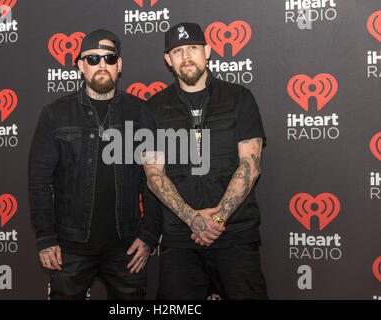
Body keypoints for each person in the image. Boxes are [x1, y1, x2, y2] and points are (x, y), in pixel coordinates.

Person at [28, 29, 160, 300]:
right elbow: (39, 181)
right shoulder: (55, 114)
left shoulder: (140, 112)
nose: (102, 65)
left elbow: (154, 179)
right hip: (70, 247)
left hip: (126, 247)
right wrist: (46, 238)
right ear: (80, 66)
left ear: (119, 65)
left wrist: (149, 235)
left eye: (110, 58)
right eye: (93, 58)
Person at [141, 22, 268, 300]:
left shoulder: (239, 98)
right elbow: (154, 174)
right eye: (177, 51)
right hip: (179, 240)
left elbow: (250, 164)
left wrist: (218, 218)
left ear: (207, 51)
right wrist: (192, 219)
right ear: (168, 60)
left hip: (236, 235)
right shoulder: (153, 108)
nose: (186, 57)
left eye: (193, 49)